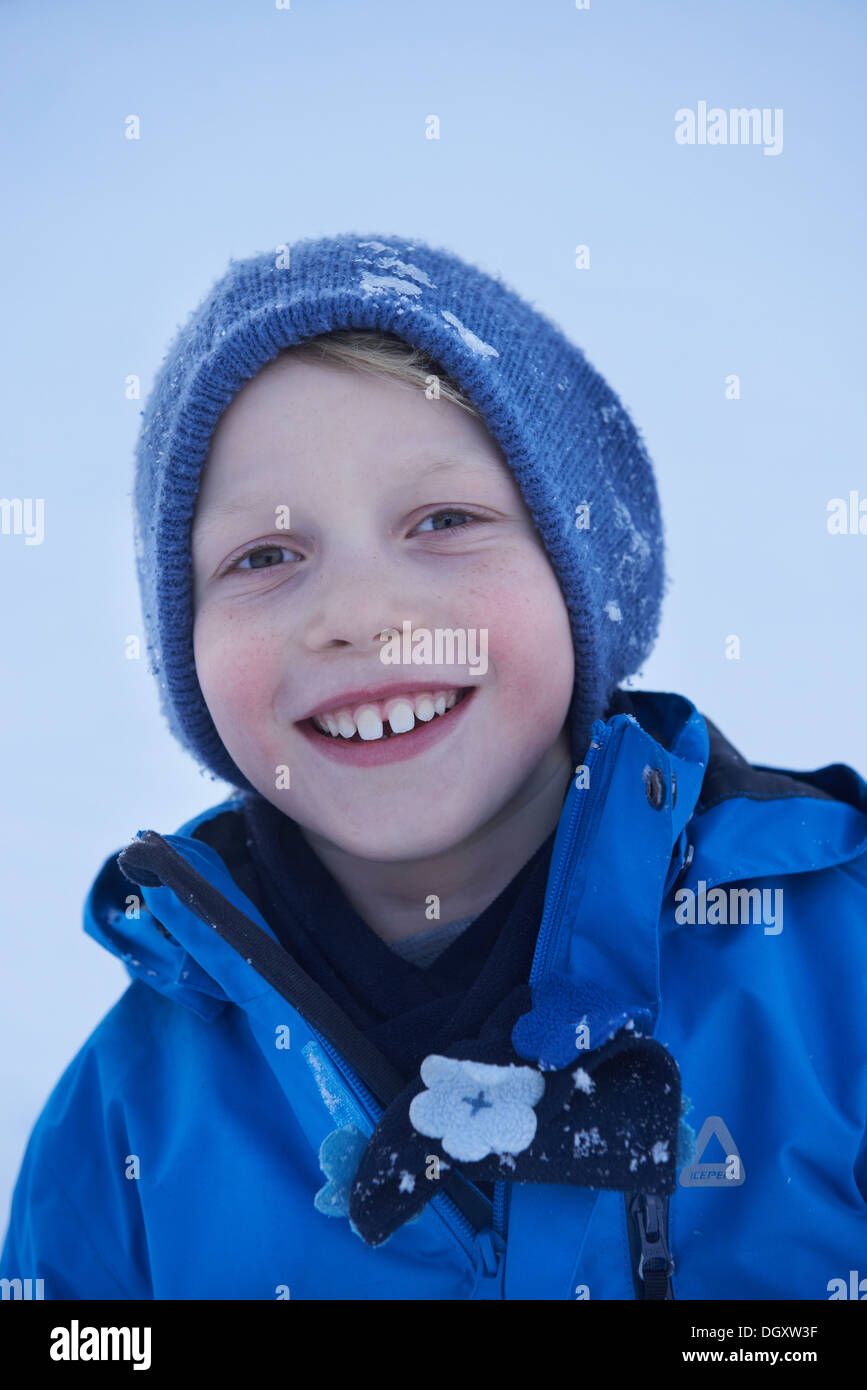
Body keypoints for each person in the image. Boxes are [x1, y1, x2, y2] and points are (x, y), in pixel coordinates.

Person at [2, 233, 866, 1300]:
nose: (361, 615)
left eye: (445, 520)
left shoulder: (841, 974)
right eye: (264, 557)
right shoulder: (121, 1130)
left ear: (581, 574)